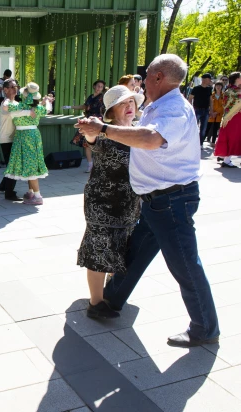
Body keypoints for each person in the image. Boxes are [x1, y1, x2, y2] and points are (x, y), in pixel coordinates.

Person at [77, 54, 219, 348]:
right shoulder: (160, 106)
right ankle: (111, 300)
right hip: (155, 202)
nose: (141, 85)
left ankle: (205, 327)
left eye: (145, 78)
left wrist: (103, 128)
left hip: (171, 201)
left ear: (157, 78)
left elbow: (151, 140)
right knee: (137, 255)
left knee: (185, 265)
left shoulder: (174, 110)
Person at [77, 85, 142, 319]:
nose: (129, 107)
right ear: (111, 111)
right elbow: (92, 139)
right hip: (102, 203)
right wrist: (90, 131)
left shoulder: (140, 132)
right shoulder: (104, 133)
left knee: (121, 249)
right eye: (123, 103)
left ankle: (111, 293)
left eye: (132, 102)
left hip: (130, 204)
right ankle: (95, 303)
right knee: (99, 250)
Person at [3, 82, 53, 205]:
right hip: (34, 135)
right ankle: (31, 192)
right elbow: (48, 109)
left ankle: (37, 195)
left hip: (22, 136)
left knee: (28, 164)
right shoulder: (38, 108)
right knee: (30, 163)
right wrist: (46, 101)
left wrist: (11, 100)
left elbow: (5, 107)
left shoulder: (18, 107)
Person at [0, 79, 31, 201]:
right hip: (7, 139)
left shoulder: (15, 102)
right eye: (12, 87)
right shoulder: (6, 102)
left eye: (16, 86)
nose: (15, 88)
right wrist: (29, 113)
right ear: (5, 90)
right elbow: (15, 111)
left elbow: (23, 108)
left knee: (11, 164)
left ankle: (3, 186)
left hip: (12, 138)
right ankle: (9, 193)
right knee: (13, 166)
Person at [68, 80, 106, 173]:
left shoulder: (103, 97)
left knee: (99, 142)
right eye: (98, 86)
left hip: (98, 120)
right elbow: (84, 106)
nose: (99, 88)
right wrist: (71, 107)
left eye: (101, 87)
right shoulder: (90, 97)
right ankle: (90, 165)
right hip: (88, 120)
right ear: (94, 86)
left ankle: (99, 165)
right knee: (86, 143)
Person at [213, 72, 241, 168]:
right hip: (232, 117)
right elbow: (229, 104)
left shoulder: (234, 90)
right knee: (232, 137)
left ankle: (225, 157)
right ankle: (226, 159)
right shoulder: (232, 91)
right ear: (236, 79)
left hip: (235, 117)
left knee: (234, 137)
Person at [188, 73, 213, 146]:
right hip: (197, 110)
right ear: (204, 79)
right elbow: (190, 98)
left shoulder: (209, 89)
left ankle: (200, 144)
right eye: (209, 79)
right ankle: (191, 143)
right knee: (193, 127)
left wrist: (211, 110)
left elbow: (211, 100)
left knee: (203, 129)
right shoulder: (196, 88)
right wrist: (190, 109)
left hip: (205, 110)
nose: (210, 81)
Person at [206, 81, 225, 147]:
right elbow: (209, 104)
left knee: (215, 129)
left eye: (220, 86)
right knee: (207, 128)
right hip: (211, 114)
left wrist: (216, 112)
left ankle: (213, 142)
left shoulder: (224, 96)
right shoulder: (212, 95)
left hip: (218, 115)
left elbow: (223, 105)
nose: (218, 87)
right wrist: (211, 112)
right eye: (217, 85)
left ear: (222, 87)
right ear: (215, 87)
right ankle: (201, 141)